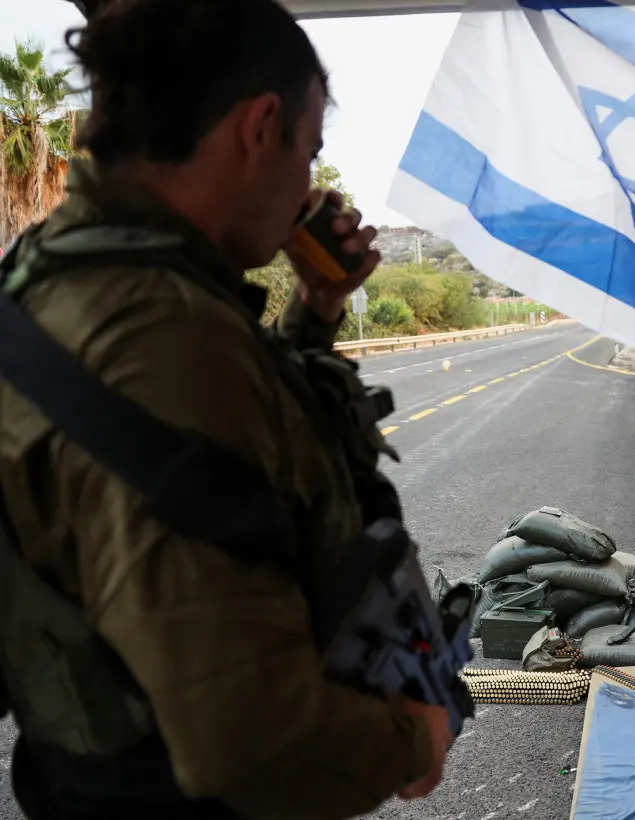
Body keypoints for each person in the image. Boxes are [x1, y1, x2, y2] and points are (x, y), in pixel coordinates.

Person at [0, 1, 452, 818]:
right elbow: (246, 738)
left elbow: (226, 460)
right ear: (259, 127)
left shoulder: (73, 272)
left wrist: (315, 308)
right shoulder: (163, 338)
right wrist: (414, 739)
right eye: (307, 154)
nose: (309, 189)